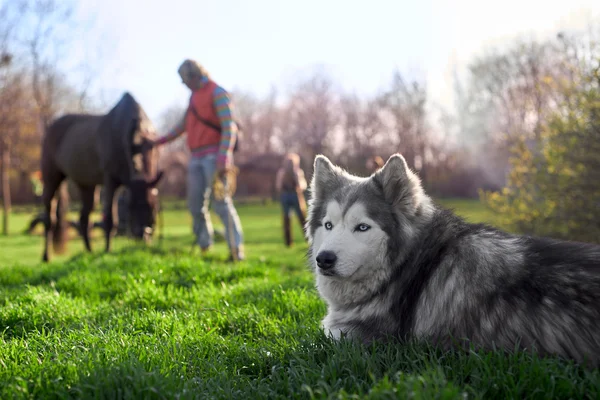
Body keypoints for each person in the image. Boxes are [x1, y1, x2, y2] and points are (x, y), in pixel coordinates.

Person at [150, 59, 244, 261]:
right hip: (195, 157)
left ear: (193, 75)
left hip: (215, 156)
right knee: (195, 206)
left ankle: (236, 251)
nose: (183, 84)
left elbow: (229, 127)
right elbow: (182, 126)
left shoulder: (216, 92)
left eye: (184, 79)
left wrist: (223, 155)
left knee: (221, 203)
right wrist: (160, 141)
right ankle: (205, 247)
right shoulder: (193, 98)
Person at [275, 153, 307, 247]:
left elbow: (278, 186)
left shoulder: (282, 172)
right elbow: (302, 186)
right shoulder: (297, 172)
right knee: (301, 217)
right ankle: (308, 238)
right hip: (294, 195)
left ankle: (289, 242)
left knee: (287, 218)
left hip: (286, 196)